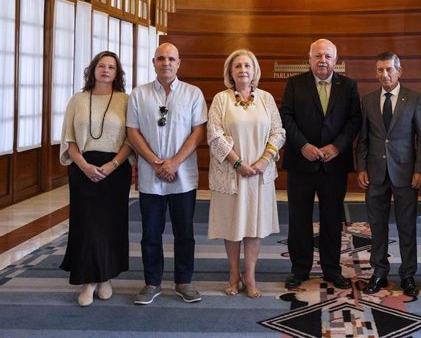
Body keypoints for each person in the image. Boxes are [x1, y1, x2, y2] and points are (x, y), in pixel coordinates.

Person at [127, 43, 207, 305]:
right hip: (151, 177)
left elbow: (198, 132)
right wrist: (155, 162)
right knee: (151, 233)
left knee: (184, 232)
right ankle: (152, 283)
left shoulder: (193, 94)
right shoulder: (139, 95)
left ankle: (184, 282)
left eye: (171, 59)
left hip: (182, 175)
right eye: (161, 58)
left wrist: (173, 163)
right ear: (153, 62)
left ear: (179, 63)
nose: (166, 63)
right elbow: (132, 132)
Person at [280, 38, 362, 290]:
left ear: (335, 61)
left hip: (333, 165)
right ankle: (300, 269)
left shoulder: (348, 86)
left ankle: (331, 269)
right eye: (318, 56)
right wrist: (303, 145)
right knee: (299, 219)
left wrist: (336, 147)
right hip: (301, 163)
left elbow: (354, 121)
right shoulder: (295, 84)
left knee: (331, 219)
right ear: (309, 59)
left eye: (327, 56)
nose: (322, 60)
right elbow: (286, 117)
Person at [207, 49, 286, 298]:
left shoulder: (266, 98)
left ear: (255, 71)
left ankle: (250, 275)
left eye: (247, 66)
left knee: (254, 225)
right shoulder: (222, 99)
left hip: (259, 175)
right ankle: (233, 274)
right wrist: (238, 162)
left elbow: (278, 132)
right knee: (232, 224)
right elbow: (214, 133)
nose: (243, 70)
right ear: (230, 72)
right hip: (231, 173)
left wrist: (263, 161)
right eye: (238, 66)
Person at [59, 51, 132, 307]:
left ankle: (106, 277)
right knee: (87, 225)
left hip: (115, 170)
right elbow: (69, 138)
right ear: (93, 70)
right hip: (83, 170)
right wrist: (84, 166)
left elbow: (130, 139)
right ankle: (88, 280)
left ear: (117, 73)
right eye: (101, 66)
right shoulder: (77, 100)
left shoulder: (126, 100)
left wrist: (112, 165)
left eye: (111, 67)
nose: (106, 70)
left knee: (111, 224)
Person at [356, 52, 421, 297]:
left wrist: (420, 169)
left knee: (407, 227)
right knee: (377, 227)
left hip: (406, 174)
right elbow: (363, 139)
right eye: (379, 70)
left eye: (389, 69)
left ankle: (408, 275)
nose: (384, 74)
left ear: (399, 71)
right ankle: (379, 272)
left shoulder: (415, 99)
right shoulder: (367, 100)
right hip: (375, 173)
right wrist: (362, 167)